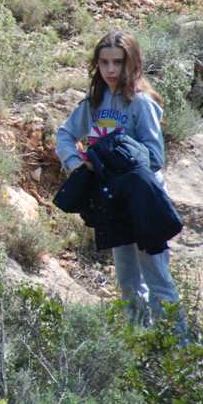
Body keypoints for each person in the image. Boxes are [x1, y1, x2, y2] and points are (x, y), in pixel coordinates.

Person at [56, 30, 183, 329]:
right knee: (127, 281)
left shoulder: (141, 103)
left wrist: (116, 156)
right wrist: (78, 165)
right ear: (96, 65)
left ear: (133, 64)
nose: (111, 70)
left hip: (145, 201)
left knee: (158, 281)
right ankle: (138, 347)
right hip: (113, 203)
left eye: (118, 62)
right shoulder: (94, 102)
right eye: (104, 63)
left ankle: (177, 353)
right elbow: (65, 135)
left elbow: (154, 158)